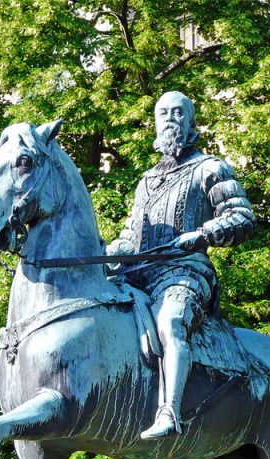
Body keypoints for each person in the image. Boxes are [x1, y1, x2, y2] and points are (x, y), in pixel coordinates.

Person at [107, 91, 256, 440]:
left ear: (191, 122)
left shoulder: (209, 168)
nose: (170, 118)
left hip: (186, 272)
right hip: (139, 275)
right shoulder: (146, 181)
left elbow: (241, 216)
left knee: (171, 322)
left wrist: (202, 235)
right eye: (163, 113)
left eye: (178, 112)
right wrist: (108, 253)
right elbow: (132, 238)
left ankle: (170, 412)